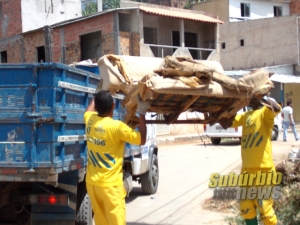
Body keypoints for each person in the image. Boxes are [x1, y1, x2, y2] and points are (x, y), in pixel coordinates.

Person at [84, 91, 150, 225]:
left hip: (92, 184)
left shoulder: (90, 120)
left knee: (101, 221)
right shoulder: (117, 127)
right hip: (111, 188)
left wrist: (96, 95)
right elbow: (142, 140)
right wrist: (142, 113)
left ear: (96, 107)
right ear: (113, 105)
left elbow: (88, 110)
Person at [230, 95, 281, 225]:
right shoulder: (245, 116)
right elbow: (228, 121)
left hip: (264, 170)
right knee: (246, 207)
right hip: (247, 170)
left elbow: (275, 108)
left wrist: (262, 98)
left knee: (264, 207)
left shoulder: (265, 113)